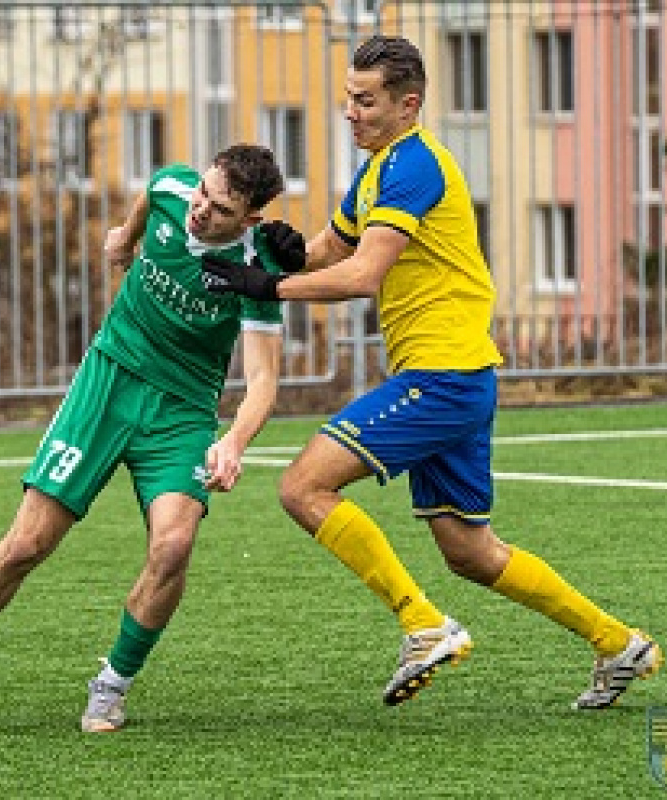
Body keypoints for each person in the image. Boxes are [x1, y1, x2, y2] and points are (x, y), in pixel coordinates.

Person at [201, 35, 662, 710]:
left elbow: (362, 274)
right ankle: (619, 643)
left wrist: (264, 288)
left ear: (407, 103)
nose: (350, 113)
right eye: (347, 99)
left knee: (303, 487)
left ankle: (423, 624)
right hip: (459, 378)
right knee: (470, 552)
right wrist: (288, 251)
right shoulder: (381, 166)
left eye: (365, 101)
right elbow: (333, 248)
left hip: (442, 377)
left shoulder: (414, 167)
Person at [0, 144, 306, 733]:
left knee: (173, 548)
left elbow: (263, 381)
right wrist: (125, 238)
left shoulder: (258, 272)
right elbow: (153, 195)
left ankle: (111, 686)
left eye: (221, 208)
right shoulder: (175, 191)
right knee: (27, 544)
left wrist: (233, 442)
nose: (201, 209)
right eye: (203, 191)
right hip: (107, 383)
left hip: (181, 412)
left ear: (250, 219)